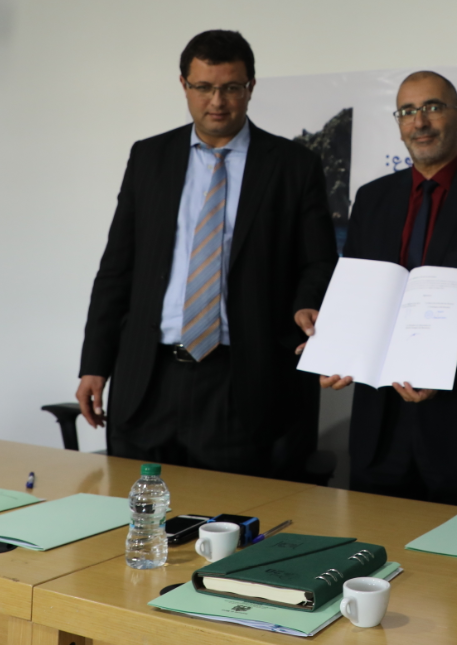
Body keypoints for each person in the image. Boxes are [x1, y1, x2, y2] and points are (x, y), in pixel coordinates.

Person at [76, 30, 337, 476]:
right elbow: (117, 268)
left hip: (242, 382)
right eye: (203, 87)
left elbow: (318, 262)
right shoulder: (149, 157)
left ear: (250, 87)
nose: (217, 101)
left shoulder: (293, 165)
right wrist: (94, 364)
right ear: (184, 85)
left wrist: (307, 303)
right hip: (149, 379)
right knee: (137, 511)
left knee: (232, 514)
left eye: (231, 87)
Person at [305, 70, 457, 510]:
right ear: (398, 123)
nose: (420, 121)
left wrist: (441, 373)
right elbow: (357, 297)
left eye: (433, 107)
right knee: (376, 549)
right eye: (408, 111)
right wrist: (335, 349)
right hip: (380, 436)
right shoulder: (372, 198)